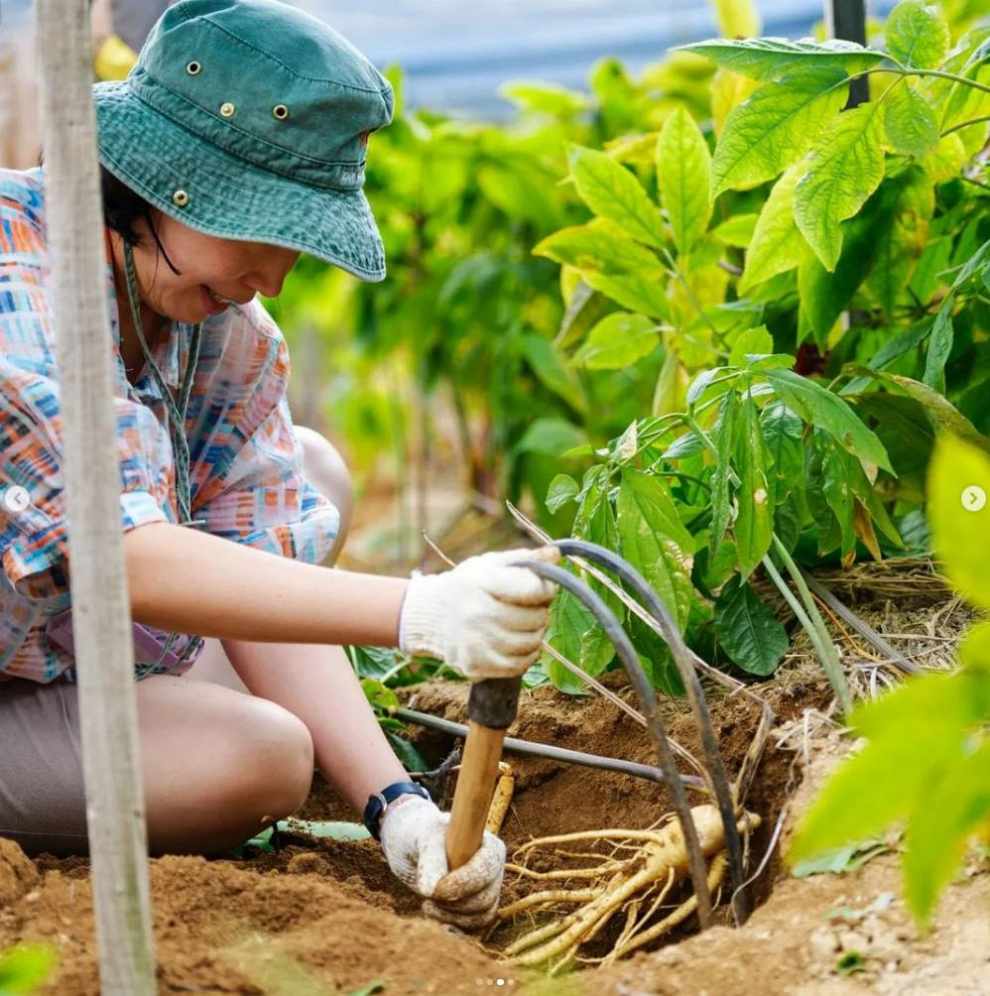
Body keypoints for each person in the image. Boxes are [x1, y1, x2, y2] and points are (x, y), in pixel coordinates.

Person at [0, 0, 558, 930]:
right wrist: (416, 611)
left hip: (58, 655)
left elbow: (254, 551)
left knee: (309, 471)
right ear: (168, 187)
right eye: (263, 234)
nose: (276, 276)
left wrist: (397, 806)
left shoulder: (225, 332)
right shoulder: (19, 278)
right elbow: (118, 554)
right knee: (258, 761)